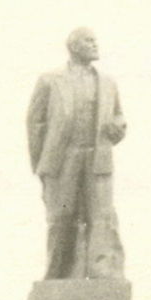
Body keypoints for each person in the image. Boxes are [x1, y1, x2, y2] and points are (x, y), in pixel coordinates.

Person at [27, 26, 126, 280]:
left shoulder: (108, 83)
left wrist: (118, 128)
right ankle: (58, 274)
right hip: (63, 159)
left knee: (101, 216)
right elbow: (35, 124)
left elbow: (117, 115)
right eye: (89, 41)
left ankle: (104, 274)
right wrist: (42, 166)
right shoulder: (50, 80)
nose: (95, 45)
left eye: (96, 40)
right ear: (74, 47)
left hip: (97, 159)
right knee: (61, 217)